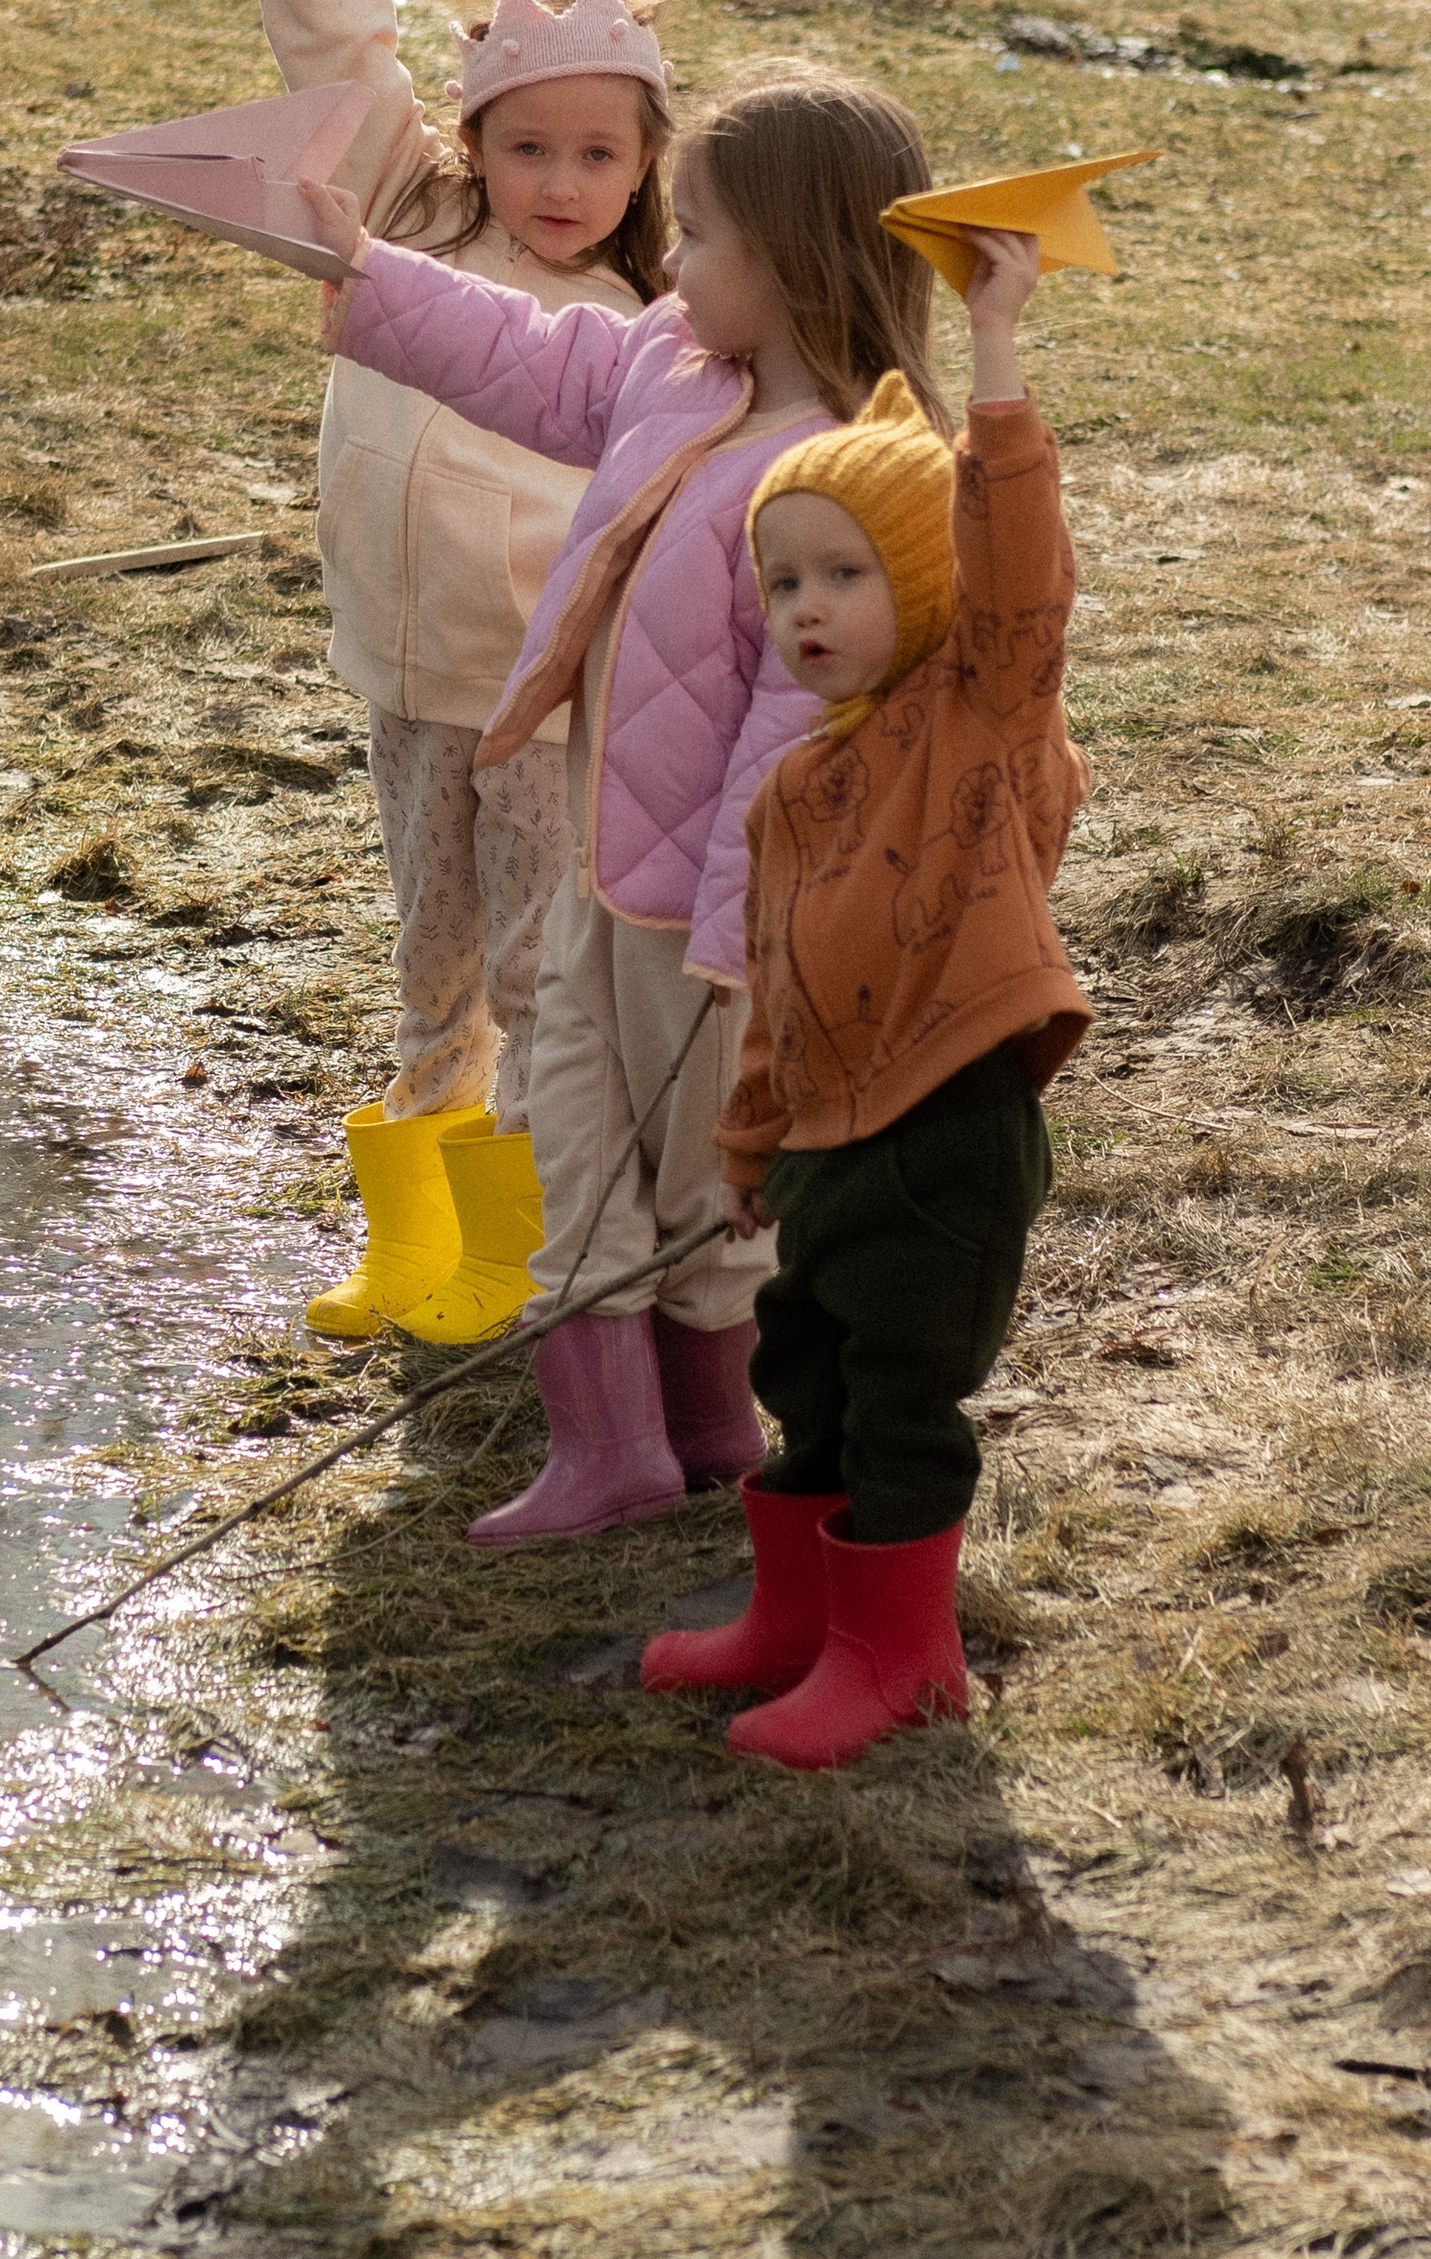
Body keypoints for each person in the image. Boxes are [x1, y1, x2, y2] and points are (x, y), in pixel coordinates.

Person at [300, 66, 947, 1543]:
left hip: (712, 924)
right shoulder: (676, 366)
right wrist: (359, 269)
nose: (665, 259)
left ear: (791, 263)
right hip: (605, 868)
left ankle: (693, 1432)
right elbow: (536, 358)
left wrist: (736, 948)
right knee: (578, 1137)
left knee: (693, 1179)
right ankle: (622, 1444)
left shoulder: (835, 482)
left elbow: (795, 751)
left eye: (700, 235)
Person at [199, 0, 673, 1348]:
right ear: (475, 142)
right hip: (404, 680)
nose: (560, 186)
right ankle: (409, 1236)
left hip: (540, 707)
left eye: (598, 157)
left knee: (541, 983)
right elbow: (334, 35)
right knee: (431, 961)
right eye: (529, 149)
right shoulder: (406, 219)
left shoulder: (646, 332)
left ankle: (516, 1252)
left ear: (645, 168)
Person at [637, 224, 1092, 1770]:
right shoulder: (796, 789)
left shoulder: (986, 716)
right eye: (784, 580)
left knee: (903, 1394)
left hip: (946, 1128)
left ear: (926, 586)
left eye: (846, 575)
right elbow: (775, 978)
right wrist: (755, 1141)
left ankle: (902, 1661)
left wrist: (999, 356)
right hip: (832, 1137)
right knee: (806, 1367)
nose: (807, 606)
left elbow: (1018, 571)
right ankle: (800, 1623)